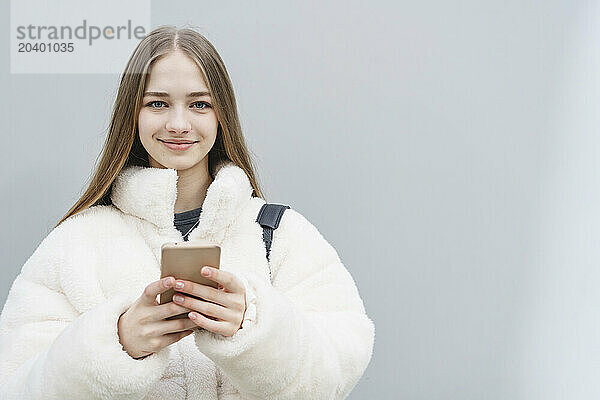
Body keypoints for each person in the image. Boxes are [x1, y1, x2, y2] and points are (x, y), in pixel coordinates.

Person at [0, 25, 375, 399]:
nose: (178, 125)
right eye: (157, 103)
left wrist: (254, 326)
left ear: (221, 116)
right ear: (133, 115)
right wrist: (117, 341)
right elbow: (16, 385)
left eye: (199, 104)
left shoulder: (278, 234)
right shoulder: (74, 243)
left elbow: (339, 367)